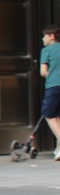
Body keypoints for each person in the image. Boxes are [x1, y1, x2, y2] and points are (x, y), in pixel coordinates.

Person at [40, 24, 60, 161]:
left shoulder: (47, 50)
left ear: (51, 36)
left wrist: (51, 75)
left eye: (44, 36)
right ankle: (58, 149)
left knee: (49, 115)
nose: (42, 39)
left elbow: (43, 72)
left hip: (53, 86)